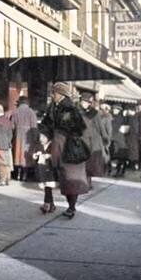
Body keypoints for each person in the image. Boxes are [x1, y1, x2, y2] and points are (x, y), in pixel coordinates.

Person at [42, 82, 88, 219]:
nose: (52, 95)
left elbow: (78, 127)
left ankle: (71, 207)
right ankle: (49, 202)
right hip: (58, 144)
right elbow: (47, 123)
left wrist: (59, 134)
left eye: (54, 93)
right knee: (52, 173)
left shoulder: (68, 108)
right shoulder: (54, 107)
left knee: (70, 177)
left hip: (68, 147)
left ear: (60, 94)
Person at [80, 92, 109, 188]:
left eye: (87, 102)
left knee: (89, 163)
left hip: (92, 141)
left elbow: (100, 127)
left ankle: (87, 183)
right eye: (83, 102)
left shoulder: (94, 114)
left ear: (89, 103)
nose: (84, 104)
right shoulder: (77, 112)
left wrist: (105, 138)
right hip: (81, 140)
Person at [11, 96, 38, 182]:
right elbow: (34, 126)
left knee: (18, 154)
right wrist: (36, 138)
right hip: (28, 136)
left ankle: (17, 175)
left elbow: (12, 126)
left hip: (18, 134)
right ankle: (26, 176)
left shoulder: (15, 112)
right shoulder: (31, 112)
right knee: (27, 155)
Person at [33, 125, 57, 214]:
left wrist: (49, 156)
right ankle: (52, 205)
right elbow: (35, 154)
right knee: (47, 188)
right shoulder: (39, 146)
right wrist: (35, 156)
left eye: (43, 137)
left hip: (50, 170)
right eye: (40, 137)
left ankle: (46, 205)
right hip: (42, 170)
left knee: (48, 188)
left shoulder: (52, 145)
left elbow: (56, 157)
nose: (41, 139)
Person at [0, 104, 14, 186]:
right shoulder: (8, 121)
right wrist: (9, 141)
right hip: (7, 145)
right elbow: (11, 134)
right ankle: (8, 178)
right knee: (7, 163)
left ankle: (2, 179)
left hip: (0, 145)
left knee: (1, 163)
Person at [110, 105, 129, 177]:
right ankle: (121, 171)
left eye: (116, 109)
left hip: (118, 138)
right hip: (118, 138)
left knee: (120, 156)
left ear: (119, 110)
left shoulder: (118, 118)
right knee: (121, 156)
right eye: (114, 109)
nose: (114, 110)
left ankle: (119, 172)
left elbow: (114, 129)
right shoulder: (118, 117)